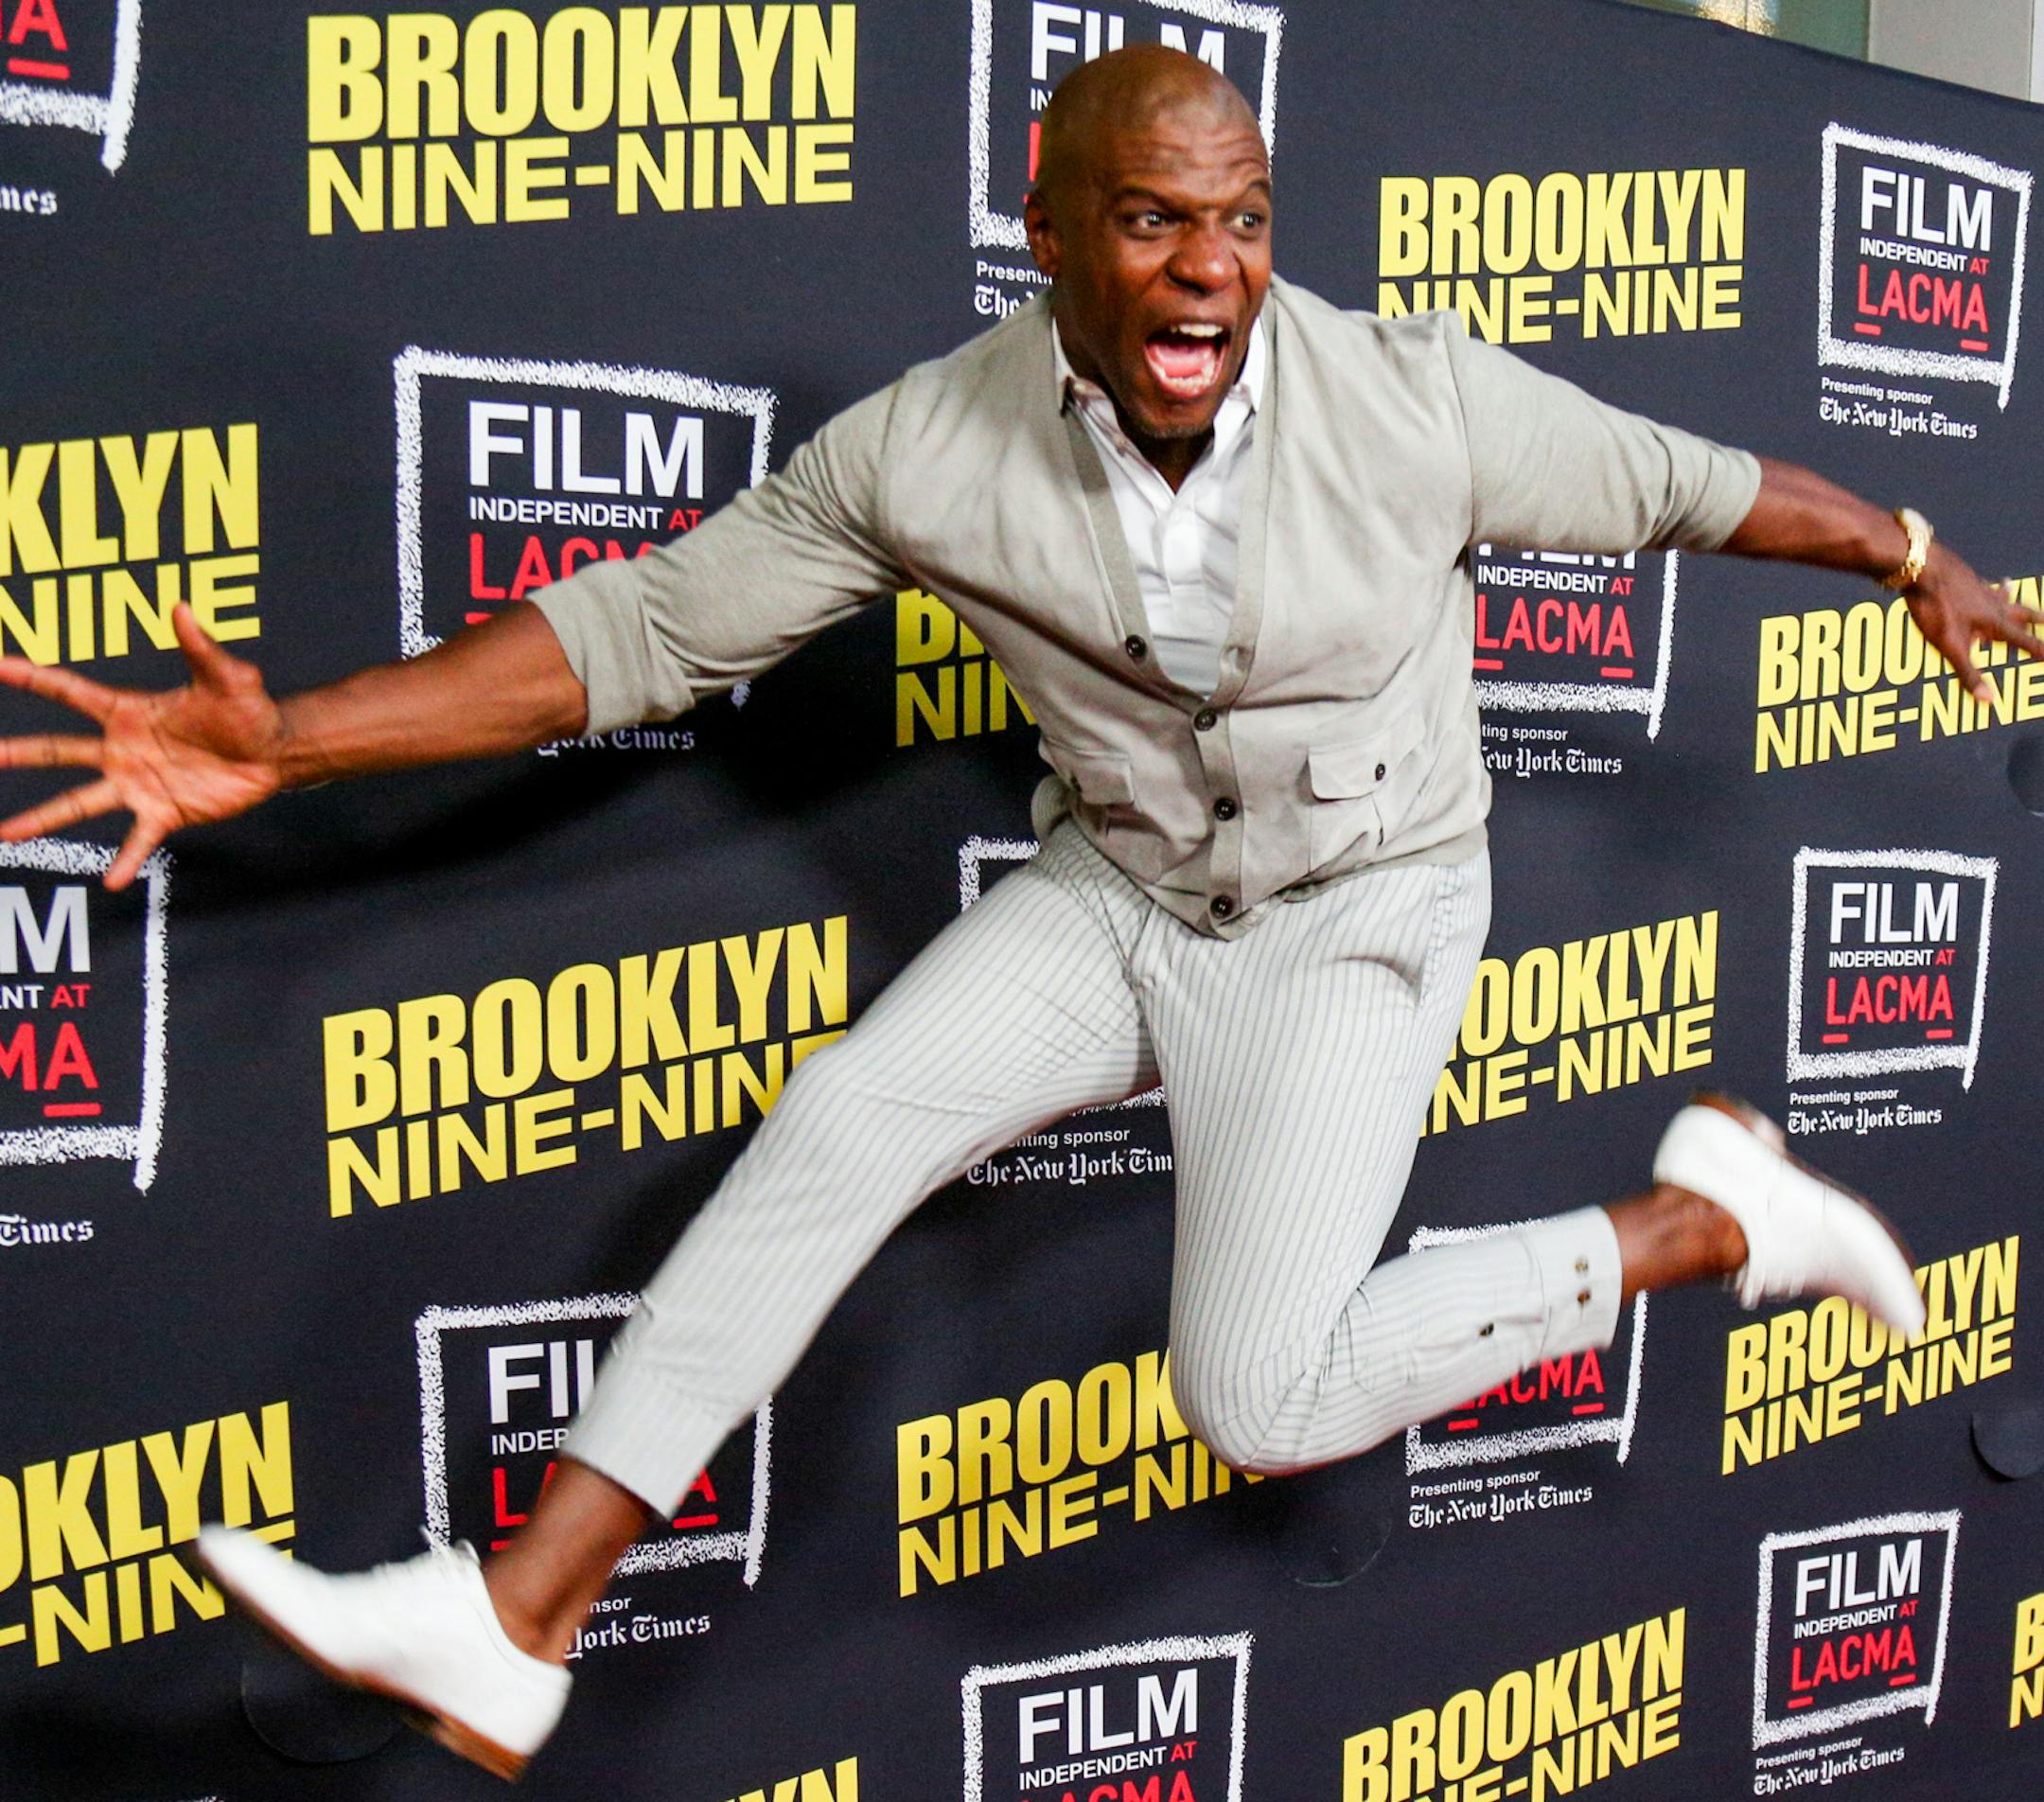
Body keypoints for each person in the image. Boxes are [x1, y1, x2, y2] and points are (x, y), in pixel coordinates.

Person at [2, 45, 2030, 1786]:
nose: (1212, 271)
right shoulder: (924, 446)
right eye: (1152, 222)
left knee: (1262, 1399)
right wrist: (296, 744)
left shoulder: (1413, 402)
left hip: (1356, 911)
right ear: (1044, 228)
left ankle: (1704, 1223)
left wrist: (1919, 551)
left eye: (1240, 220)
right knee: (832, 1131)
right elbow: (639, 632)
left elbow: (1699, 487)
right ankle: (517, 1621)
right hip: (1122, 887)